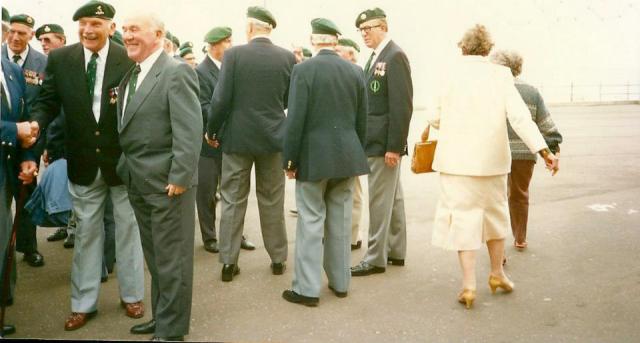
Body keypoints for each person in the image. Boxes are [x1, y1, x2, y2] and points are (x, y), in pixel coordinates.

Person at [30, 0, 145, 330]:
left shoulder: (128, 58)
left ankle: (132, 296)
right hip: (82, 161)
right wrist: (37, 124)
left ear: (111, 26)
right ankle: (83, 304)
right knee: (86, 237)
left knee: (128, 232)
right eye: (82, 23)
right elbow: (48, 100)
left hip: (122, 163)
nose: (87, 30)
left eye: (95, 23)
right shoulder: (61, 59)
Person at [425, 24, 558, 309]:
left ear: (462, 47)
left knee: (463, 220)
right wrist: (543, 150)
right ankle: (497, 275)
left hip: (456, 163)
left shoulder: (447, 73)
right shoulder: (501, 74)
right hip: (493, 162)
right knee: (496, 219)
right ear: (488, 49)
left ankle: (469, 286)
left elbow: (434, 116)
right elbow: (520, 117)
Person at [119, 13, 202, 341]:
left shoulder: (176, 71)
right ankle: (163, 318)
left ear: (158, 34)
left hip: (168, 184)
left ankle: (172, 331)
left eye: (134, 29)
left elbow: (190, 127)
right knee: (157, 259)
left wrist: (180, 176)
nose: (127, 35)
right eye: (125, 30)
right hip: (140, 182)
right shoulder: (135, 73)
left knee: (173, 262)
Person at [281, 18, 369, 307]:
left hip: (312, 157)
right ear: (336, 40)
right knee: (341, 222)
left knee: (310, 220)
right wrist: (356, 153)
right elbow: (361, 120)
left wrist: (290, 159)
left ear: (313, 40)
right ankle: (341, 282)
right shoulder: (355, 71)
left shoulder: (303, 70)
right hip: (346, 156)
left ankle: (307, 289)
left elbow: (295, 119)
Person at [206, 6, 295, 282]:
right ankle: (278, 258)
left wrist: (212, 130)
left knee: (233, 199)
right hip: (273, 138)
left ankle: (229, 263)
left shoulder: (234, 55)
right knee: (272, 199)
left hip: (238, 138)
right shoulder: (287, 57)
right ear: (269, 29)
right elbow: (289, 101)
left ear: (250, 28)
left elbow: (220, 100)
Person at [351, 8, 413, 276]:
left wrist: (394, 146)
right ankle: (396, 251)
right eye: (361, 30)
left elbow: (401, 106)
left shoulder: (394, 56)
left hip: (383, 144)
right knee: (393, 198)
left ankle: (375, 258)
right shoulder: (376, 57)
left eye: (369, 28)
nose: (364, 34)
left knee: (379, 200)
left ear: (383, 27)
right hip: (376, 142)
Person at [490, 50, 563, 250]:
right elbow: (546, 125)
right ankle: (520, 238)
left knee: (495, 199)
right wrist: (552, 150)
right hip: (525, 153)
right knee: (520, 194)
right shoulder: (531, 91)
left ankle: (498, 247)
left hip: (495, 152)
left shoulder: (492, 90)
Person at [195, 26, 255, 254]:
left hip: (231, 141)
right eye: (226, 42)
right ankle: (210, 237)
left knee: (234, 192)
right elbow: (203, 106)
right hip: (209, 143)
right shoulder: (201, 72)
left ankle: (235, 235)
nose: (231, 45)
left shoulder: (234, 68)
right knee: (208, 192)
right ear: (213, 45)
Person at [2, 13, 47, 268]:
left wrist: (35, 135)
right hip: (4, 138)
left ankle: (28, 247)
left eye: (22, 33)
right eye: (13, 32)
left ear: (32, 34)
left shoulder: (43, 62)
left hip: (30, 142)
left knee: (26, 196)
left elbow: (44, 103)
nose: (16, 37)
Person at [0, 56, 38, 338]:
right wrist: (14, 131)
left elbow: (20, 117)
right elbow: (16, 127)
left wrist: (26, 157)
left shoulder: (12, 70)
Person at [336, 37, 364, 250]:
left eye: (353, 54)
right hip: (341, 139)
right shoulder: (342, 73)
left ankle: (353, 236)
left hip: (350, 140)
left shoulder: (357, 73)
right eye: (349, 53)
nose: (353, 58)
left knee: (353, 192)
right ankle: (344, 234)